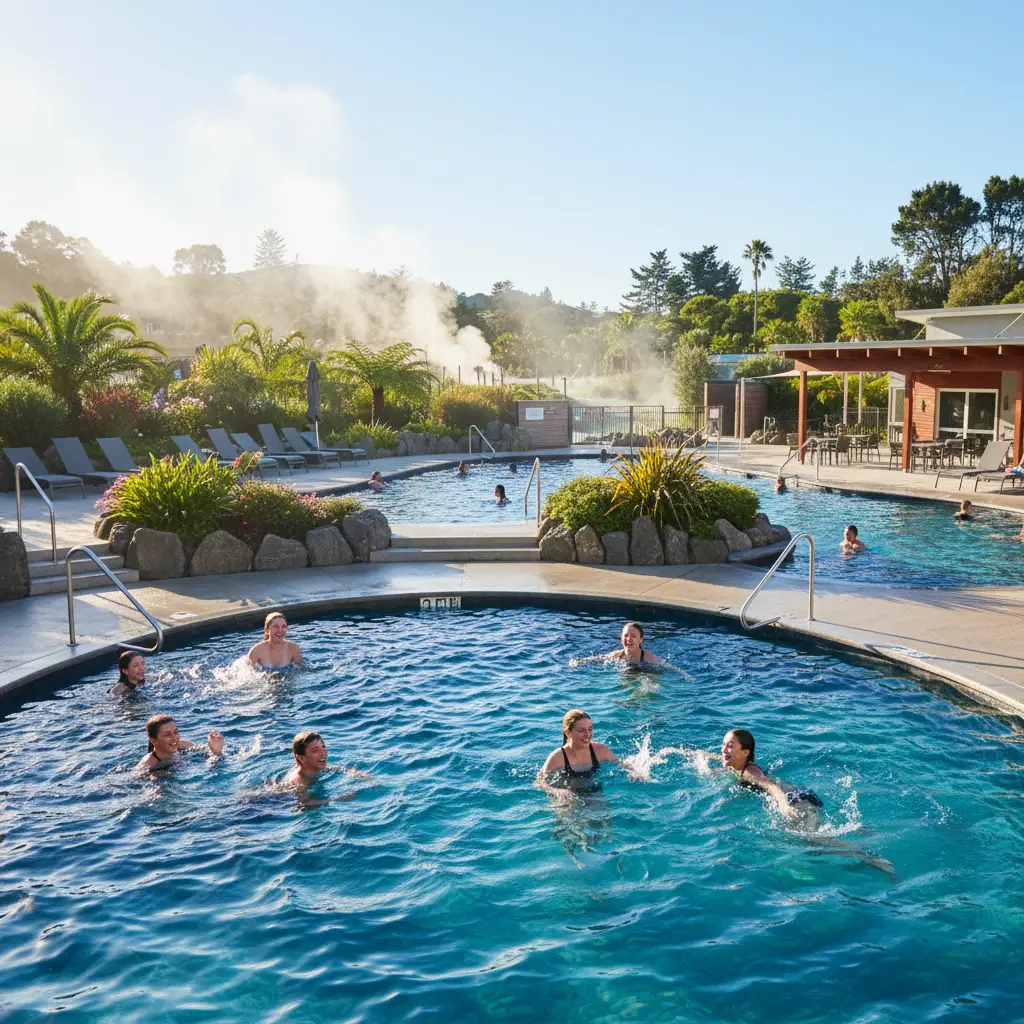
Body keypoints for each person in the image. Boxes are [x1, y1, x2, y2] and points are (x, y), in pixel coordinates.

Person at [719, 729, 822, 820]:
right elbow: (719, 757)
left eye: (730, 746)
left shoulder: (748, 772)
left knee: (814, 840)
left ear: (745, 753)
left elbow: (771, 786)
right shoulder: (736, 764)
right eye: (723, 744)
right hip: (798, 795)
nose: (723, 750)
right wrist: (703, 754)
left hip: (795, 800)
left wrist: (784, 804)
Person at [535, 710, 620, 799]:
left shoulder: (600, 750)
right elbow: (539, 782)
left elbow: (621, 764)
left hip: (594, 792)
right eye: (581, 730)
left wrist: (633, 770)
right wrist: (556, 791)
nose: (588, 734)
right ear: (568, 732)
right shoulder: (557, 757)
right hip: (567, 796)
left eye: (590, 729)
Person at [283, 730, 371, 807]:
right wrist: (339, 799)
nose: (323, 753)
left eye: (323, 747)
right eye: (315, 750)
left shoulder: (311, 767)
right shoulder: (299, 781)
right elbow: (304, 805)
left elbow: (332, 769)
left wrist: (353, 772)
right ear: (301, 758)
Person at [576, 621, 690, 676]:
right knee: (625, 675)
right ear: (621, 637)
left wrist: (685, 675)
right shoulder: (617, 655)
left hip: (647, 671)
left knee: (648, 682)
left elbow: (667, 666)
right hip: (629, 673)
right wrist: (579, 662)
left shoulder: (647, 656)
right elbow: (599, 658)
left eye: (633, 636)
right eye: (626, 635)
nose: (629, 639)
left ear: (641, 640)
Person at [137, 714, 224, 771]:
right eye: (167, 734)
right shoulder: (148, 763)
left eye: (175, 732)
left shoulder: (184, 746)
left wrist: (216, 751)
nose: (174, 738)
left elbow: (212, 758)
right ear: (153, 740)